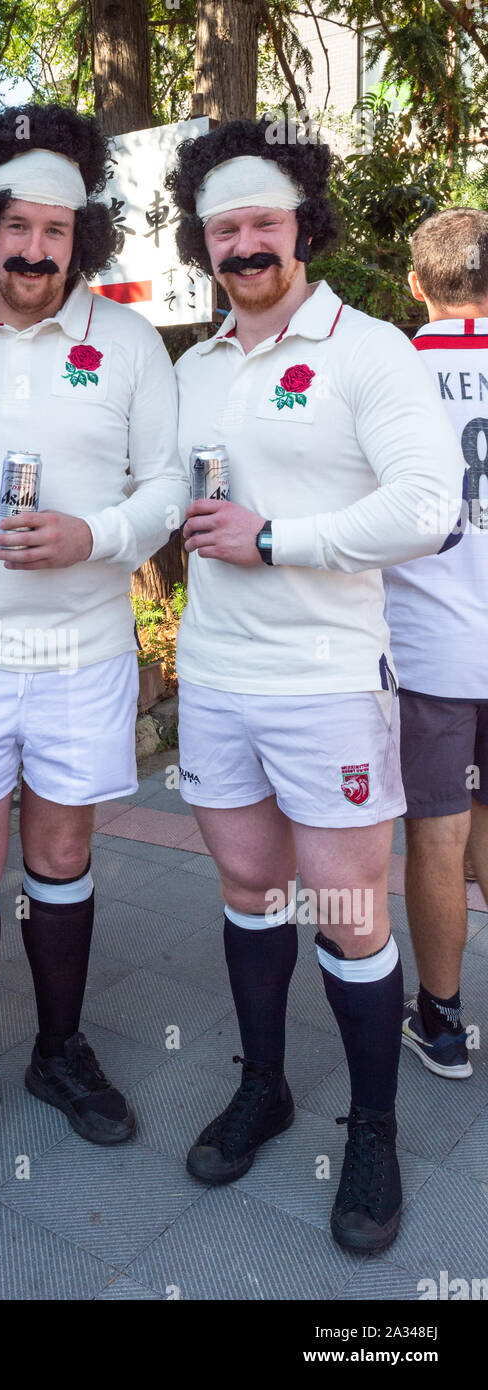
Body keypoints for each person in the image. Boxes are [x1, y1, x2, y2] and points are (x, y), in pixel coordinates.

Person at [166, 118, 465, 1252]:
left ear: (301, 226)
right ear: (204, 240)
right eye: (224, 227)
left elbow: (424, 509)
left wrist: (276, 537)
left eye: (262, 223)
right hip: (215, 676)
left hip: (330, 680)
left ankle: (374, 1127)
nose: (244, 244)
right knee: (248, 890)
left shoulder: (368, 348)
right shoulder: (193, 365)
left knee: (345, 913)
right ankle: (263, 1086)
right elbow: (166, 502)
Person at [0, 103, 181, 1194]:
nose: (34, 249)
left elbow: (165, 483)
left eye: (56, 231)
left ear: (80, 239)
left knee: (60, 860)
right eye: (16, 225)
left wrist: (91, 536)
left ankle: (59, 1054)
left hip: (84, 647)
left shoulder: (130, 343)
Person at [382, 207, 488, 1081]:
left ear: (418, 284)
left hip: (429, 650)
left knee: (438, 837)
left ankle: (442, 1023)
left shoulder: (392, 371)